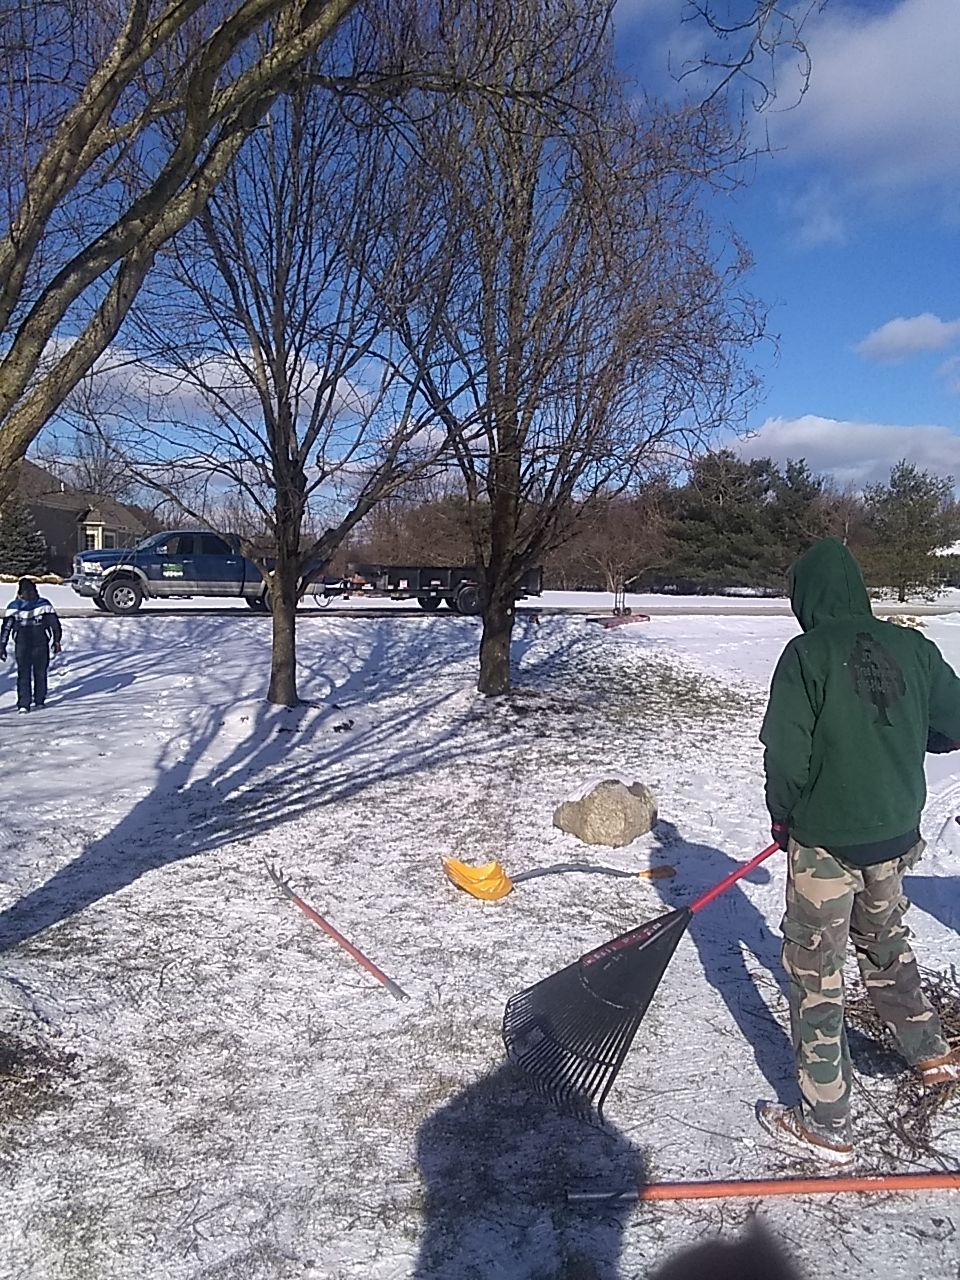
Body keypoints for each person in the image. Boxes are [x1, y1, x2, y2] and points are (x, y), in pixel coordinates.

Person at [758, 537, 960, 1162]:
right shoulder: (914, 647)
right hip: (895, 836)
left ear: (807, 597)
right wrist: (906, 734)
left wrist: (783, 817)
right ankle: (930, 1053)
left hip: (827, 844)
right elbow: (954, 724)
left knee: (816, 972)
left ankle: (826, 1122)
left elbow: (786, 754)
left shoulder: (807, 654)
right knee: (884, 939)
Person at [0, 578, 62, 713]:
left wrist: (2, 646)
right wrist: (56, 640)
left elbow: (6, 629)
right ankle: (38, 701)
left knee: (24, 674)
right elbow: (55, 625)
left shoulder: (15, 606)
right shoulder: (43, 604)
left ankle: (24, 704)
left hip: (26, 645)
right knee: (39, 673)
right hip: (37, 644)